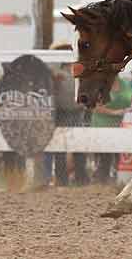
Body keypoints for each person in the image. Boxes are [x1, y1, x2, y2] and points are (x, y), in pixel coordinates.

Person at [43, 42, 89, 186]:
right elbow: (49, 90)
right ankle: (62, 179)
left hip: (77, 111)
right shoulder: (55, 71)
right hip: (61, 111)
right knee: (60, 148)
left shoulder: (79, 69)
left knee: (78, 147)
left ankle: (80, 178)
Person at [91, 76, 132, 183]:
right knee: (105, 154)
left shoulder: (125, 84)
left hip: (121, 124)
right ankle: (101, 179)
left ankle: (115, 178)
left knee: (117, 154)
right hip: (102, 123)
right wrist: (115, 112)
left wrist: (130, 108)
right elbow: (94, 106)